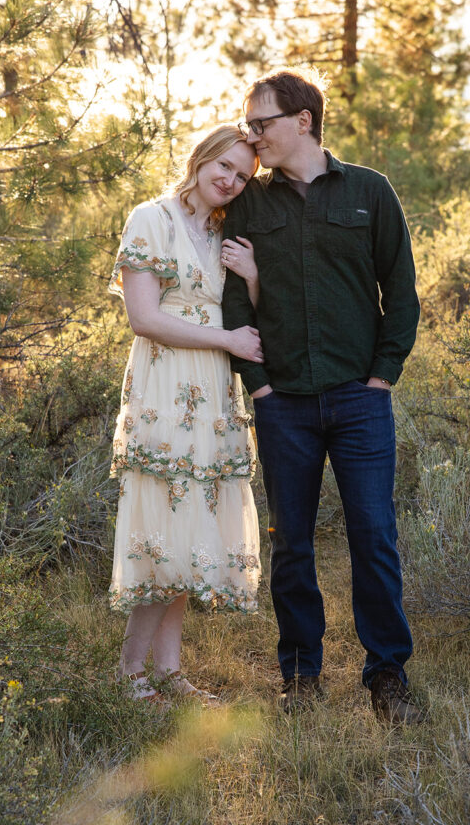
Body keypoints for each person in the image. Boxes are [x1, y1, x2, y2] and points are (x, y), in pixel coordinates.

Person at [221, 68, 422, 723]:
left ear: (302, 121)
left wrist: (381, 374)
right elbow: (231, 298)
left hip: (359, 399)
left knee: (372, 534)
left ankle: (386, 677)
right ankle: (300, 676)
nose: (252, 136)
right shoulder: (250, 203)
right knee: (293, 543)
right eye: (249, 125)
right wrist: (261, 386)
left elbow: (400, 291)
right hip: (284, 405)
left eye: (261, 123)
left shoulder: (370, 191)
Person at [108, 124, 263, 704]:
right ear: (200, 160)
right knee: (161, 529)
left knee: (189, 527)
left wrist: (251, 275)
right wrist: (224, 340)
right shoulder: (153, 218)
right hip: (167, 387)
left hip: (214, 398)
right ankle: (130, 672)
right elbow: (143, 318)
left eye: (242, 175)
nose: (229, 180)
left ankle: (170, 671)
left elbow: (252, 316)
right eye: (222, 166)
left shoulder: (224, 232)